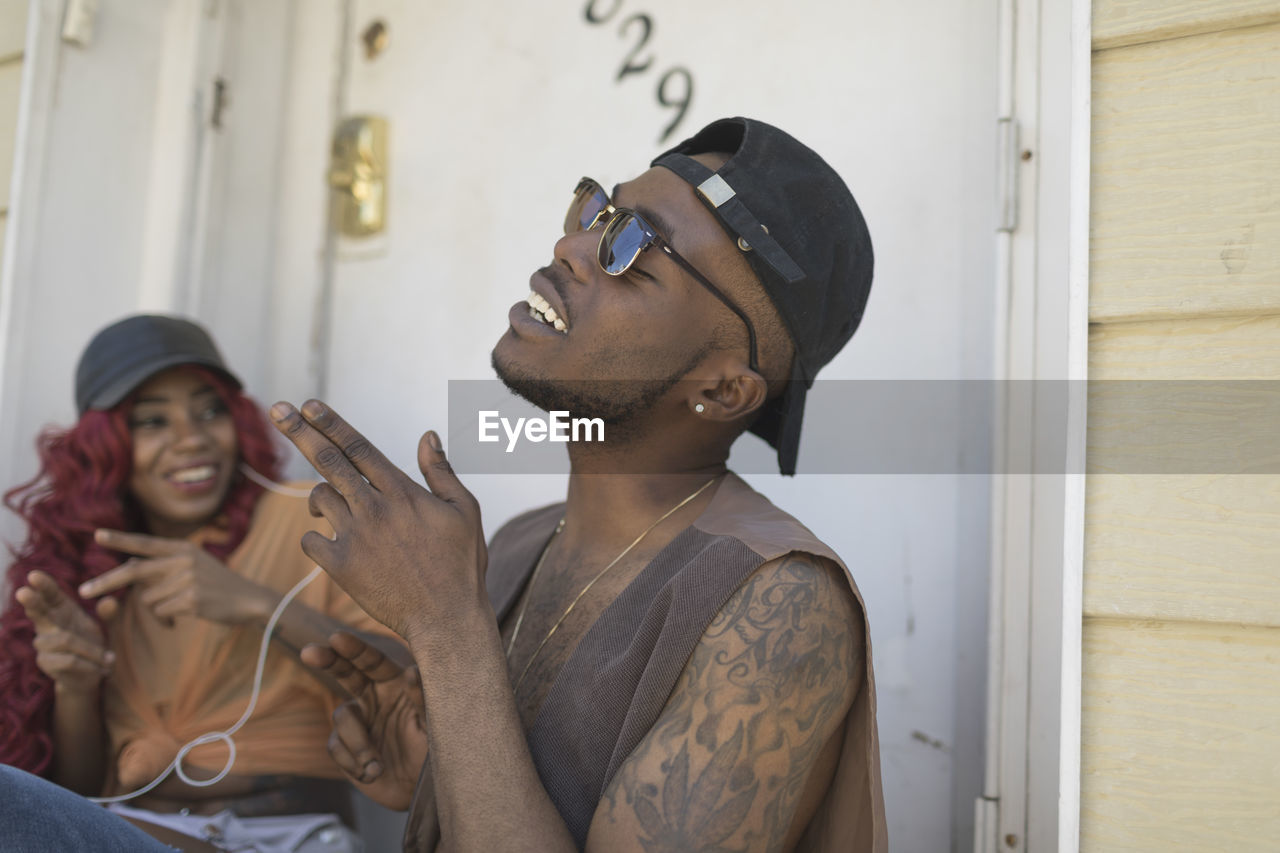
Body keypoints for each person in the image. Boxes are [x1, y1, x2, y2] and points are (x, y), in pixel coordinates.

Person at [272, 117, 887, 852]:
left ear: (723, 390)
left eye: (634, 249)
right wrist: (432, 777)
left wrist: (445, 630)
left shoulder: (782, 604)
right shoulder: (522, 539)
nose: (571, 246)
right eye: (599, 211)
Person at [0, 314, 399, 852]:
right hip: (127, 831)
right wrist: (77, 685)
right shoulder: (93, 571)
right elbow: (77, 795)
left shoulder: (304, 518)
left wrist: (255, 604)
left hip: (281, 834)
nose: (191, 440)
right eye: (152, 422)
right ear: (104, 447)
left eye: (210, 411)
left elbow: (410, 688)